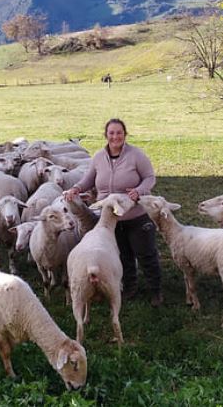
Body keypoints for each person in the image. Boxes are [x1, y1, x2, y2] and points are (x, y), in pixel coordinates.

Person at [63, 118, 163, 306]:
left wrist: (139, 191)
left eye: (119, 133)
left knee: (145, 253)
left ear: (125, 134)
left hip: (135, 214)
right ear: (106, 135)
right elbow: (88, 179)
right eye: (111, 133)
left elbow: (149, 178)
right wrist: (76, 188)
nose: (115, 136)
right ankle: (130, 287)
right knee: (122, 254)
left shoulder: (136, 155)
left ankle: (155, 290)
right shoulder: (99, 157)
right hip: (110, 219)